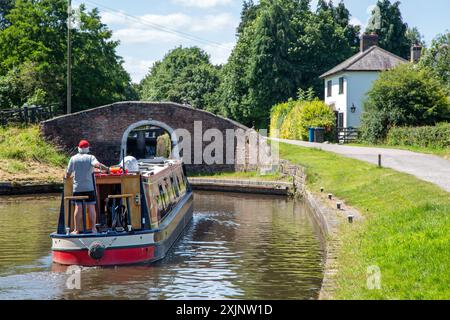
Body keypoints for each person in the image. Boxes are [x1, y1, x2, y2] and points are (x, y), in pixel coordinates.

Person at [65, 140, 109, 234]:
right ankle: (93, 229)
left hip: (77, 188)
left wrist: (67, 177)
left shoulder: (73, 158)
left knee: (78, 207)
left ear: (78, 148)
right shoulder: (90, 157)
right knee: (91, 206)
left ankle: (76, 230)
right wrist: (107, 169)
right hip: (89, 187)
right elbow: (97, 165)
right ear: (88, 148)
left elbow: (68, 174)